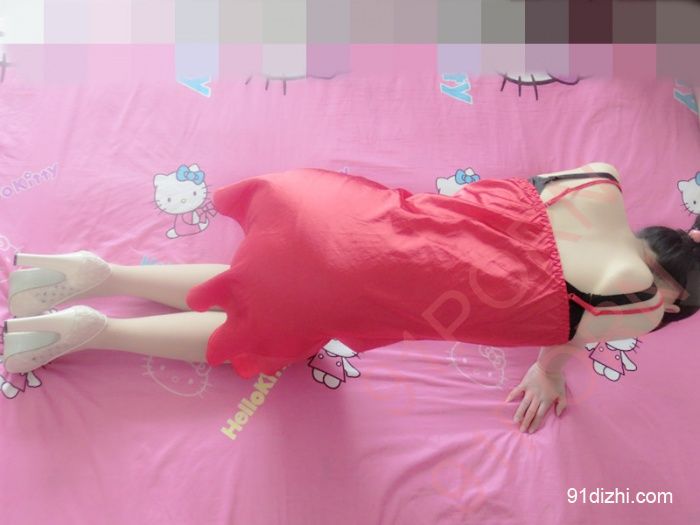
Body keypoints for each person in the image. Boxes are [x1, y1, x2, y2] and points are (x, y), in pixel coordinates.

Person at [3, 163, 699, 434]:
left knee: (261, 278)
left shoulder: (596, 181)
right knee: (261, 333)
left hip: (330, 204)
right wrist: (549, 370)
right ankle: (95, 329)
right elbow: (574, 330)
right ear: (671, 297)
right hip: (342, 276)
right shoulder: (636, 303)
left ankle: (101, 273)